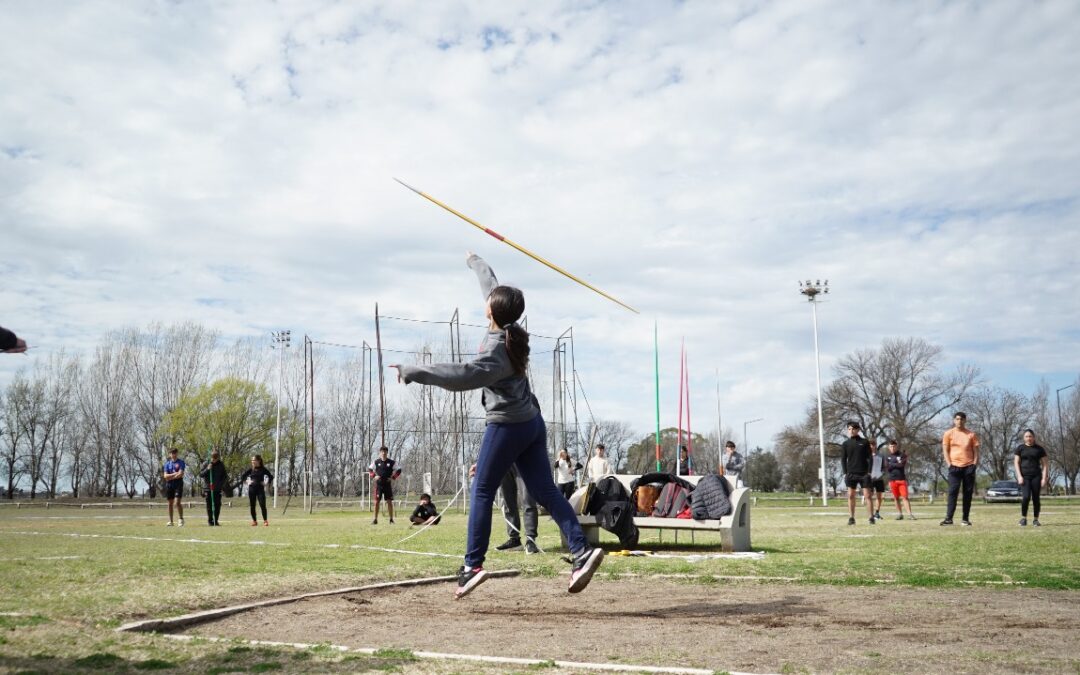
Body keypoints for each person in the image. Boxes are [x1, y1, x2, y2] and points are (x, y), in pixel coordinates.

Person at [391, 252, 603, 599]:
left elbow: (462, 376)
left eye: (490, 300)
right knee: (546, 491)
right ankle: (581, 551)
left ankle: (472, 566)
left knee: (482, 490)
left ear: (493, 310)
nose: (486, 298)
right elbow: (490, 284)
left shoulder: (496, 351)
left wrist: (413, 371)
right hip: (532, 422)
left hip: (509, 426)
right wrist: (475, 261)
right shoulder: (513, 329)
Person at [941, 412, 979, 526]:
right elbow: (945, 450)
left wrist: (974, 465)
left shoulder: (971, 434)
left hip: (968, 467)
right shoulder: (948, 433)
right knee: (953, 492)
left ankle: (965, 519)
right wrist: (949, 464)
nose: (959, 421)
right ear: (954, 420)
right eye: (957, 419)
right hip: (954, 467)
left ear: (965, 420)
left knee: (967, 493)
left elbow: (976, 452)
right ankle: (949, 519)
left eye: (962, 419)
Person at [496, 465, 540, 554]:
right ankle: (514, 540)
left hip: (523, 459)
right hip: (503, 460)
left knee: (528, 500)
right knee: (508, 501)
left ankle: (531, 540)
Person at [841, 421, 875, 526]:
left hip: (864, 473)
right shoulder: (845, 444)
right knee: (851, 495)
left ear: (858, 430)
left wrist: (869, 472)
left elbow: (870, 457)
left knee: (867, 496)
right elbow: (843, 459)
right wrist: (844, 473)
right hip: (851, 474)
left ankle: (871, 518)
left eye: (853, 429)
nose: (851, 431)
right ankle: (851, 518)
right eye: (849, 429)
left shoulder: (864, 442)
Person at [1014, 428, 1049, 527]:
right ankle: (1023, 518)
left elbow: (1045, 464)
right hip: (1024, 476)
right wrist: (1019, 476)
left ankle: (1035, 520)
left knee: (1036, 498)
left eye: (1030, 436)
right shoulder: (1020, 448)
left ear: (1033, 437)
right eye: (1026, 436)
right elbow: (1016, 462)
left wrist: (1044, 478)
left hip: (1036, 476)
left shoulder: (1039, 449)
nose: (1028, 438)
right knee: (1025, 497)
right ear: (1024, 438)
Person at [237, 454, 273, 527]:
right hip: (252, 489)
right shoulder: (250, 470)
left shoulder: (263, 469)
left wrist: (266, 482)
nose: (252, 461)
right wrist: (247, 482)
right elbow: (243, 477)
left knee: (262, 505)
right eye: (252, 460)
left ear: (258, 461)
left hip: (260, 489)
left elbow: (271, 476)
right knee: (252, 506)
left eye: (254, 460)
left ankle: (265, 521)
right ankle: (254, 521)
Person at [885, 439, 916, 520]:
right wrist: (896, 464)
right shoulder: (887, 457)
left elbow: (901, 465)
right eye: (891, 446)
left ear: (896, 446)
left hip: (901, 480)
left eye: (894, 446)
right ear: (888, 447)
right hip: (892, 480)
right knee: (896, 498)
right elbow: (887, 467)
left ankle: (910, 515)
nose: (892, 448)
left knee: (905, 497)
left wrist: (892, 464)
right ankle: (900, 514)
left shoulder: (902, 455)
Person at [369, 446, 400, 524]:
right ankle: (375, 519)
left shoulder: (391, 462)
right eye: (382, 452)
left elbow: (399, 470)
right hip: (379, 486)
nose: (383, 453)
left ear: (387, 453)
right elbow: (370, 469)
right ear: (380, 453)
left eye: (385, 452)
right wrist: (373, 476)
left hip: (387, 485)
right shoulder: (376, 462)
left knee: (389, 502)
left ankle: (391, 519)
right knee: (377, 502)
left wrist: (393, 477)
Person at [199, 450, 229, 526]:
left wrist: (221, 485)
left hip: (217, 488)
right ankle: (210, 521)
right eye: (213, 458)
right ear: (211, 457)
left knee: (217, 505)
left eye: (216, 458)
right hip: (208, 488)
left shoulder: (221, 465)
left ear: (218, 458)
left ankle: (216, 520)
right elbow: (201, 474)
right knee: (209, 505)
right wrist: (207, 469)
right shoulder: (206, 463)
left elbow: (225, 476)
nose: (214, 460)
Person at [163, 448, 186, 527]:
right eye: (172, 453)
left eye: (175, 453)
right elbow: (165, 476)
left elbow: (180, 474)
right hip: (169, 485)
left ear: (177, 453)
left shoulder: (181, 462)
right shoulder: (167, 464)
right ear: (170, 454)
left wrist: (170, 476)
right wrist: (174, 474)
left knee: (177, 503)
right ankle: (171, 521)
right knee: (170, 503)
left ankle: (181, 519)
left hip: (178, 484)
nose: (173, 454)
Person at [869, 439, 886, 521]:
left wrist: (881, 474)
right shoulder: (867, 456)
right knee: (869, 496)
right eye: (871, 445)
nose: (872, 446)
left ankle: (877, 513)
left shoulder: (881, 455)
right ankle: (871, 514)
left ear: (876, 445)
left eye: (874, 444)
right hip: (870, 479)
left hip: (879, 478)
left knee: (879, 497)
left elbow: (884, 467)